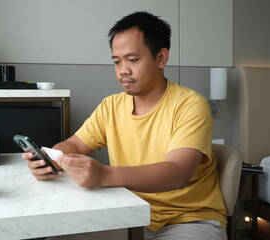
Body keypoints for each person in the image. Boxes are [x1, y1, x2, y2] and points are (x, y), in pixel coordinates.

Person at [23, 11, 227, 240]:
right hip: (127, 213)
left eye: (132, 60)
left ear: (161, 58)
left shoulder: (191, 106)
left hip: (187, 220)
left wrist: (105, 175)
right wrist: (50, 159)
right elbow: (75, 144)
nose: (123, 71)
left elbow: (177, 173)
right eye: (117, 61)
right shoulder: (111, 106)